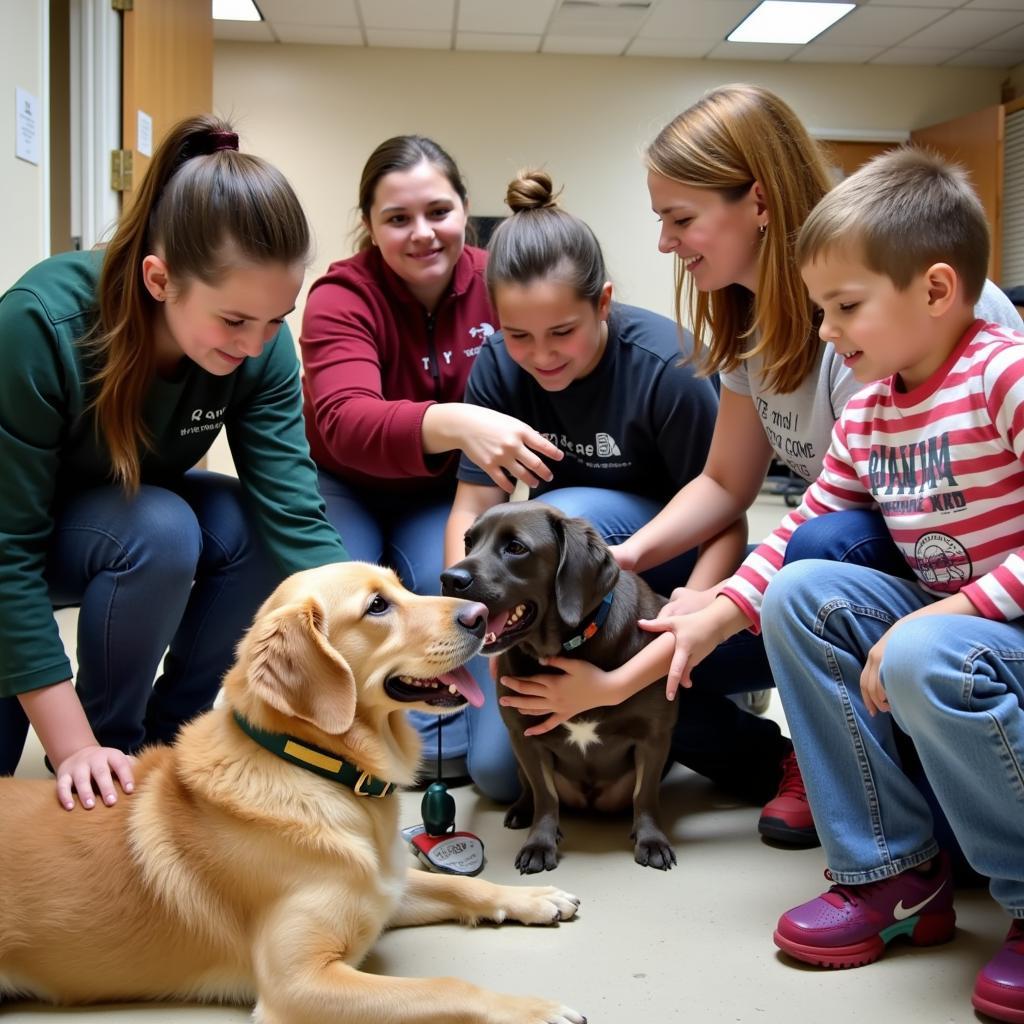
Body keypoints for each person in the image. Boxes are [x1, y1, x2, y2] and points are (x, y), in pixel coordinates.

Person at [497, 84, 1023, 845]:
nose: (665, 244)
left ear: (761, 203)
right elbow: (724, 484)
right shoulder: (758, 322)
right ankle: (809, 758)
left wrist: (626, 674)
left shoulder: (909, 337)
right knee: (660, 621)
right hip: (876, 574)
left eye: (681, 219)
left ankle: (863, 767)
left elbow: (850, 527)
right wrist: (625, 567)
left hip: (932, 582)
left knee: (817, 551)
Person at [652, 148, 1024, 1021]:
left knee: (926, 644)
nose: (826, 332)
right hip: (952, 631)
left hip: (993, 629)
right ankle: (891, 878)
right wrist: (715, 617)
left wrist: (955, 611)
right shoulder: (871, 408)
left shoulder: (1004, 373)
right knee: (803, 591)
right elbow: (795, 533)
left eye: (845, 307)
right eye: (823, 309)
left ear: (936, 290)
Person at [0, 114, 349, 808]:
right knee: (160, 529)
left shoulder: (261, 349)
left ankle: (153, 748)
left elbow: (293, 514)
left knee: (241, 526)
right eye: (234, 321)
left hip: (118, 528)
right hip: (25, 550)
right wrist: (72, 749)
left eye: (276, 319)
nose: (257, 345)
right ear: (160, 280)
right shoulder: (39, 326)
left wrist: (377, 636)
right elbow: (6, 550)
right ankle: (102, 750)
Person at [443, 169, 783, 804]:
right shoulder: (497, 365)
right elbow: (474, 507)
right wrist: (463, 624)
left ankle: (719, 683)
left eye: (562, 333)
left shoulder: (669, 367)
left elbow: (727, 515)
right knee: (495, 774)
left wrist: (696, 612)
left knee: (562, 512)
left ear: (602, 302)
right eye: (519, 335)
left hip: (655, 554)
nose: (541, 355)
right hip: (568, 576)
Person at [299, 136, 560, 773]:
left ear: (465, 210)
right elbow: (343, 420)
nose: (422, 234)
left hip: (442, 494)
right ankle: (335, 734)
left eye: (438, 212)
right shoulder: (341, 296)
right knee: (340, 594)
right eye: (397, 219)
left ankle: (437, 741)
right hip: (345, 482)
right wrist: (457, 420)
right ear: (369, 225)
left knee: (449, 597)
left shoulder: (499, 282)